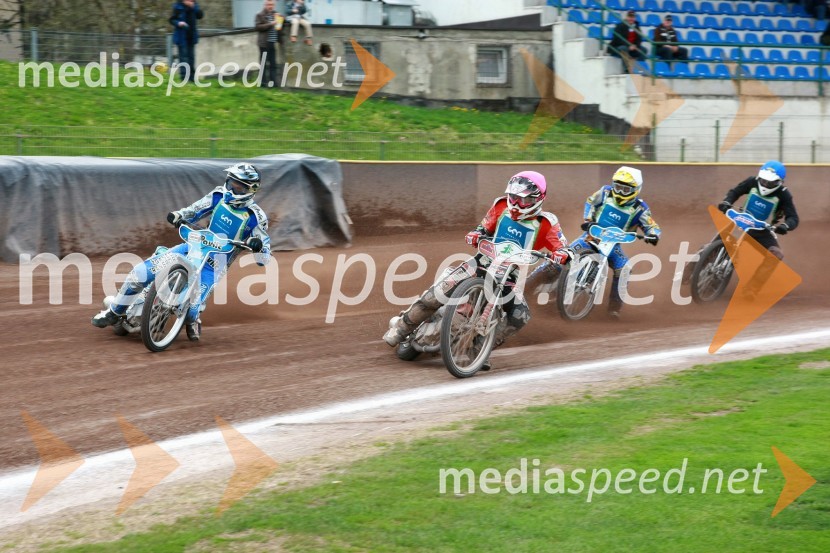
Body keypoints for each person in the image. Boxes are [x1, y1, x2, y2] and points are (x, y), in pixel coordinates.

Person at [382, 171, 573, 368]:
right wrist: (476, 234)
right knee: (436, 294)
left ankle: (479, 349)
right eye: (514, 198)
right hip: (481, 263)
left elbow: (562, 246)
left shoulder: (547, 223)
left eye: (523, 200)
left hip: (509, 277)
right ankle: (402, 328)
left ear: (538, 199)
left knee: (520, 315)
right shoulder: (500, 206)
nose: (516, 204)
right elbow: (483, 228)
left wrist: (563, 254)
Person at [91, 164, 271, 341]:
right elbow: (195, 210)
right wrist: (179, 215)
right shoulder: (218, 196)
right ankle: (114, 312)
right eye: (231, 183)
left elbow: (264, 258)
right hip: (193, 247)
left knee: (192, 311)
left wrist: (257, 245)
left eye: (238, 187)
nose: (232, 189)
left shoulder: (257, 217)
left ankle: (192, 320)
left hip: (214, 265)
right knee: (141, 272)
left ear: (251, 189)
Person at [574, 167, 660, 319]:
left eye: (625, 189)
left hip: (613, 246)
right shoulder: (605, 192)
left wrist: (653, 234)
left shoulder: (640, 208)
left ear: (636, 190)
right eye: (618, 187)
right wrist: (588, 220)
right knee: (563, 254)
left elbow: (651, 225)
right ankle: (533, 281)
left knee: (625, 269)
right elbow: (590, 203)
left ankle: (614, 309)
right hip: (590, 237)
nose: (620, 192)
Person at [716, 160, 798, 296]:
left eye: (770, 182)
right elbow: (735, 191)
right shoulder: (752, 181)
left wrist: (785, 226)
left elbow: (793, 217)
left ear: (779, 182)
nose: (765, 184)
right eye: (763, 180)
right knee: (714, 244)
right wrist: (727, 202)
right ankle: (692, 270)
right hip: (740, 221)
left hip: (762, 230)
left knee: (776, 255)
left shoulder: (784, 194)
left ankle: (751, 289)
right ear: (759, 176)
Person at [169, 0, 204, 82]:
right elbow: (172, 20)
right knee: (183, 59)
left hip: (191, 36)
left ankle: (192, 78)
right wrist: (178, 23)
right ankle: (184, 78)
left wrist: (193, 7)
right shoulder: (178, 6)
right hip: (182, 37)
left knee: (191, 58)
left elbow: (200, 16)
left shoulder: (195, 5)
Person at [255, 0, 283, 88]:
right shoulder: (260, 14)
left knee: (273, 64)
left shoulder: (276, 14)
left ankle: (273, 83)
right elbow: (258, 27)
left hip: (272, 43)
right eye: (269, 4)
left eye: (272, 4)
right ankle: (263, 83)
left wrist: (281, 18)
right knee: (263, 64)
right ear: (265, 5)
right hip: (264, 44)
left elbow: (281, 22)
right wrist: (271, 24)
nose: (270, 6)